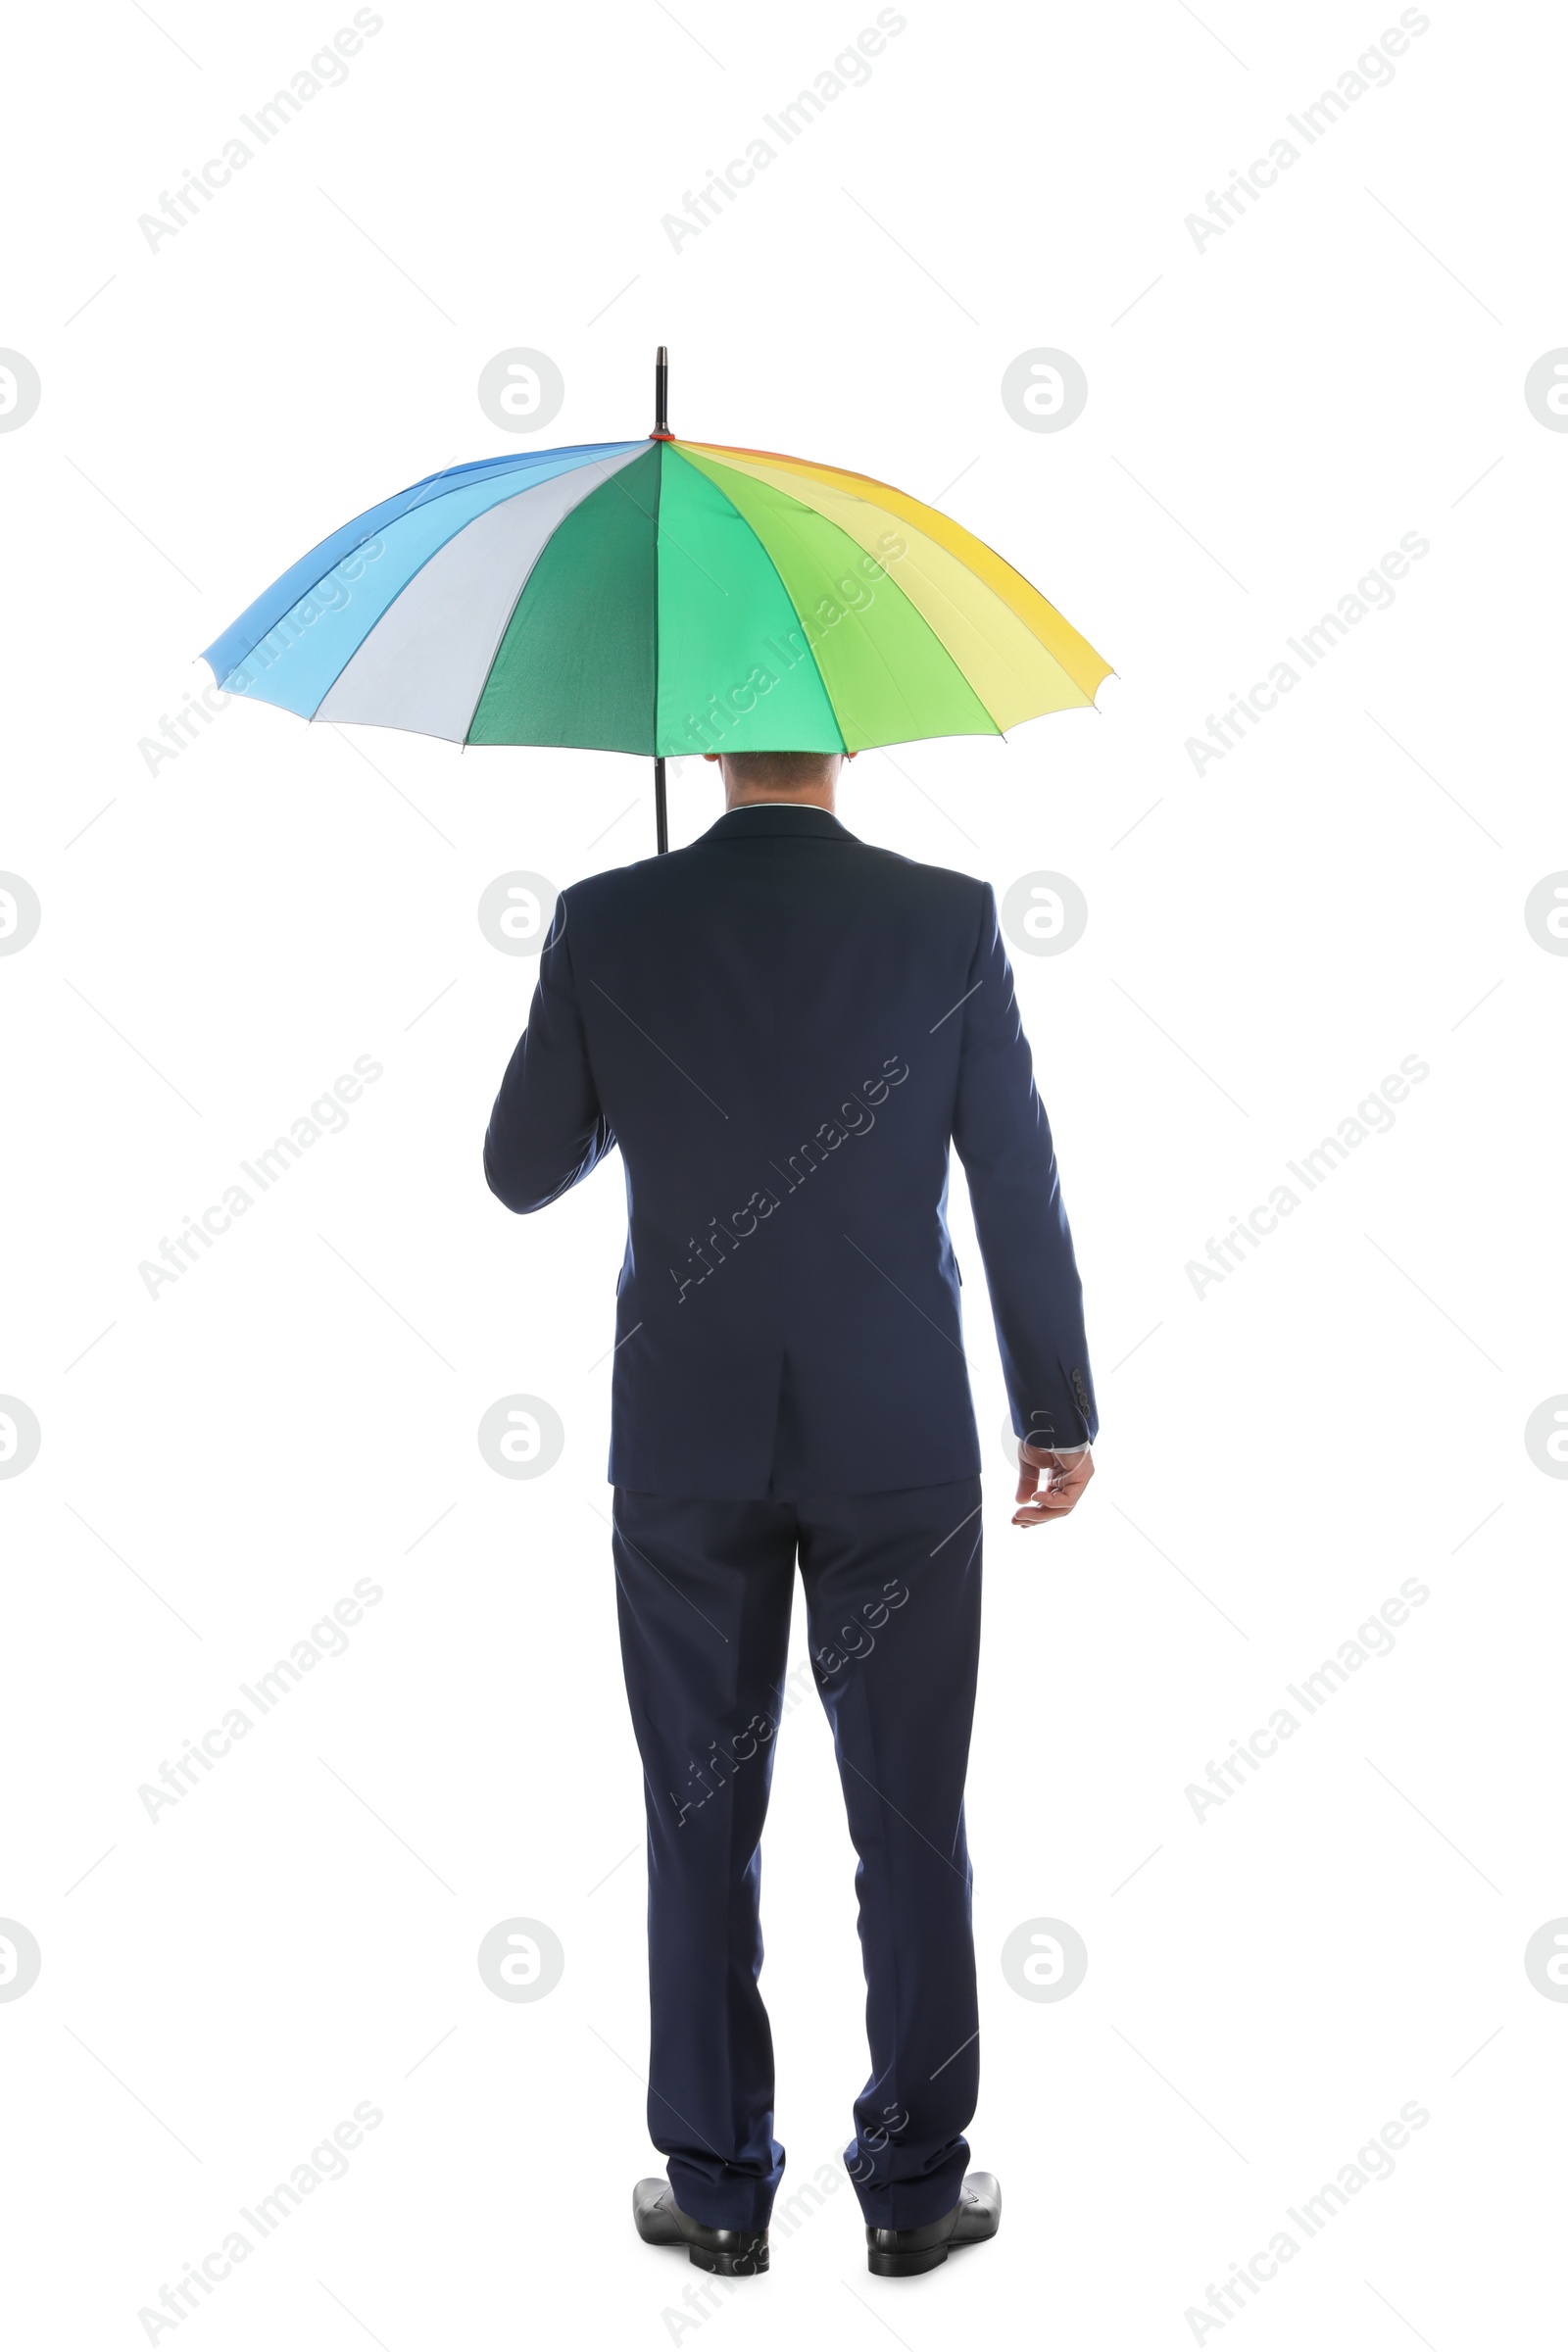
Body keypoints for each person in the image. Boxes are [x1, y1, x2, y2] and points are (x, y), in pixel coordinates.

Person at [483, 748, 1097, 2280]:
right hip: (896, 1436)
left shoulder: (609, 919)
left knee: (697, 1823)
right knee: (910, 1821)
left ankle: (715, 2190)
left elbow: (518, 1171)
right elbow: (1014, 1177)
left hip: (685, 1444)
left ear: (705, 747)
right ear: (847, 744)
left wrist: (621, 1054)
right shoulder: (945, 918)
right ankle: (911, 2191)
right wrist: (1057, 1410)